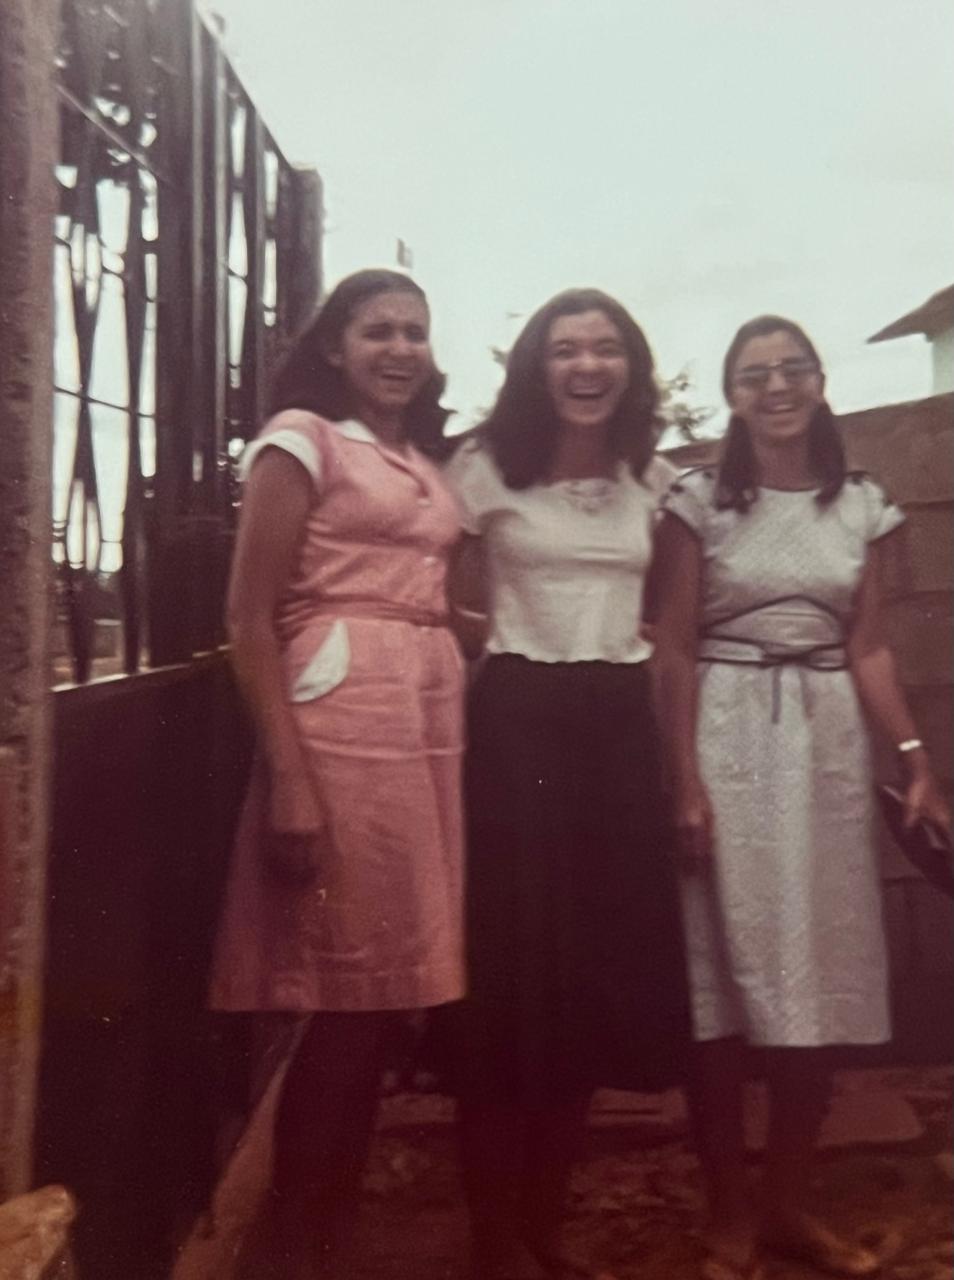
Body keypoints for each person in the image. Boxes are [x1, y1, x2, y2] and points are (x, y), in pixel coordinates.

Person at [651, 315, 951, 1280]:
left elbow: (869, 648)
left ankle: (785, 1203)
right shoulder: (697, 500)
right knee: (722, 980)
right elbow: (673, 646)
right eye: (754, 375)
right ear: (732, 395)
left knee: (817, 972)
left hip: (823, 742)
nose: (776, 387)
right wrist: (684, 780)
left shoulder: (862, 503)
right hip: (725, 730)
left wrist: (915, 759)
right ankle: (729, 1213)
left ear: (820, 381)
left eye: (793, 369)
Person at [209, 268, 465, 1277]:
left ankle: (327, 1237)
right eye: (377, 331)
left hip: (422, 721)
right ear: (334, 346)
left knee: (379, 999)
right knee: (340, 998)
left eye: (415, 331)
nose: (399, 349)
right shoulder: (301, 439)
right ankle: (302, 1247)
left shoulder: (418, 460)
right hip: (344, 720)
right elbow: (247, 618)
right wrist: (290, 777)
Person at [444, 288, 691, 1280]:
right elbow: (448, 604)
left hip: (617, 731)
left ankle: (545, 1225)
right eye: (565, 350)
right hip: (516, 727)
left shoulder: (655, 482)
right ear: (535, 368)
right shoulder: (481, 469)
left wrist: (677, 772)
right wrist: (494, 655)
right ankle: (493, 1239)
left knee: (588, 984)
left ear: (630, 366)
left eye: (605, 349)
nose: (587, 367)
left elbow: (669, 631)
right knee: (512, 986)